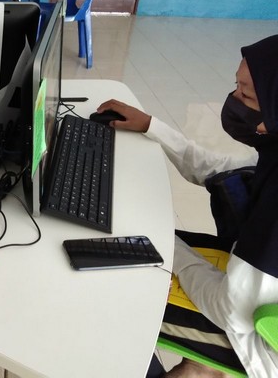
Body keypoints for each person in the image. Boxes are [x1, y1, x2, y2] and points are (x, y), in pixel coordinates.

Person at [97, 35, 278, 377]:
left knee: (109, 286)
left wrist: (166, 249)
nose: (234, 101)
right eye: (236, 86)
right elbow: (227, 173)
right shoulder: (274, 147)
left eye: (247, 96)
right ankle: (199, 368)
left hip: (255, 339)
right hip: (252, 285)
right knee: (125, 247)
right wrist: (152, 126)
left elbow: (231, 310)